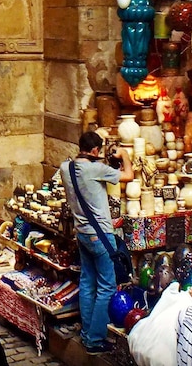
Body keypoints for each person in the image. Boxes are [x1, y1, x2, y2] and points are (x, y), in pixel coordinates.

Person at [58, 131, 133, 355]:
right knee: (107, 286)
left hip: (82, 233)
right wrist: (124, 154)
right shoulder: (95, 169)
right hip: (99, 235)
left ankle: (86, 333)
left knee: (88, 283)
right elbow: (128, 174)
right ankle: (95, 339)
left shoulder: (66, 167)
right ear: (94, 151)